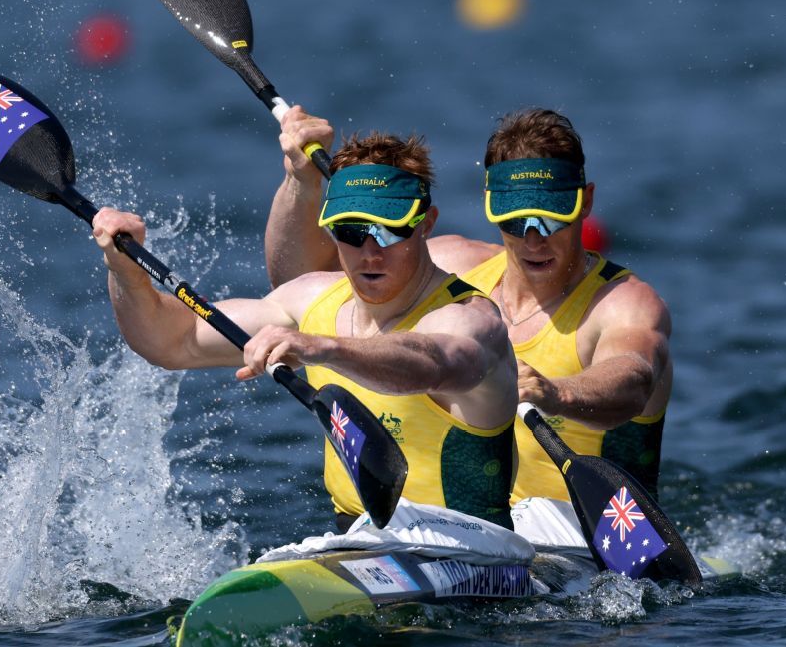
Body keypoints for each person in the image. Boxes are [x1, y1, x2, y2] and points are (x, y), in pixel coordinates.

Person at [93, 132, 520, 531]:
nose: (369, 253)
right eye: (351, 232)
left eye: (390, 230)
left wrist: (323, 348)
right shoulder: (312, 300)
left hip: (474, 552)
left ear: (426, 223)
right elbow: (172, 341)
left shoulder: (469, 317)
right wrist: (125, 274)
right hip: (354, 534)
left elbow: (432, 362)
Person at [265, 107, 671, 502]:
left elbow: (631, 382)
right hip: (473, 531)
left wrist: (554, 393)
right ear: (490, 205)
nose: (533, 240)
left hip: (585, 536)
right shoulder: (449, 265)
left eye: (550, 219)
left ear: (585, 202)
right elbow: (299, 283)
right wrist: (300, 180)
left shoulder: (625, 304)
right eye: (515, 220)